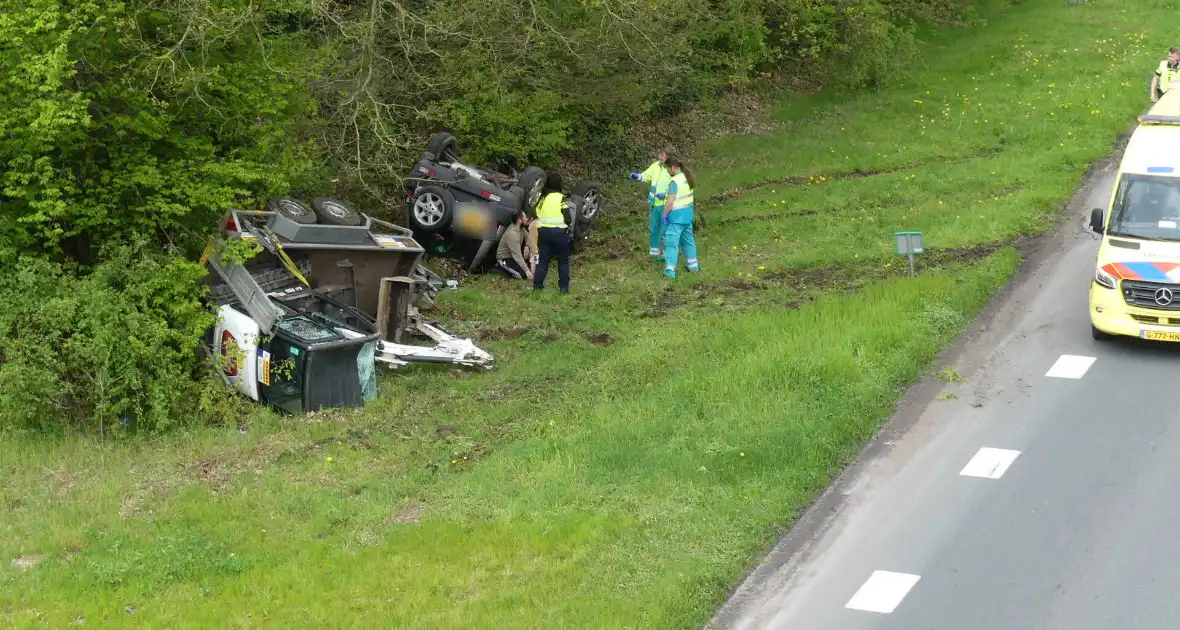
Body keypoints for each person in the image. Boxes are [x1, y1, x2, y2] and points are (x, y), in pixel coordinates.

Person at [629, 149, 673, 259]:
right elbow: (646, 175)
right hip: (655, 204)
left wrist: (666, 195)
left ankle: (666, 254)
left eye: (663, 156)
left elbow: (675, 187)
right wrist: (638, 176)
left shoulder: (671, 169)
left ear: (668, 157)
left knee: (665, 230)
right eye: (660, 155)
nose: (660, 158)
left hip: (666, 204)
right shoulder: (655, 166)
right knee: (654, 228)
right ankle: (654, 253)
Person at [661, 156, 700, 279]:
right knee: (688, 241)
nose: (668, 171)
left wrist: (664, 215)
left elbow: (671, 201)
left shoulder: (674, 181)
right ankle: (693, 266)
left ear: (673, 167)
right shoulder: (686, 178)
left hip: (676, 218)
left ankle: (670, 270)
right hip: (687, 216)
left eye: (668, 168)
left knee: (671, 244)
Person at [533, 172, 572, 293]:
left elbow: (537, 215)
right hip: (559, 233)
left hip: (544, 233)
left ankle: (537, 286)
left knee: (543, 262)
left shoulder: (542, 198)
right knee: (563, 261)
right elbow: (568, 218)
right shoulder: (561, 198)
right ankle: (563, 288)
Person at [494, 210, 533, 280]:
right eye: (525, 217)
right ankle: (499, 267)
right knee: (522, 275)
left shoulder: (521, 228)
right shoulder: (512, 234)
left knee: (531, 263)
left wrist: (527, 247)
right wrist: (527, 272)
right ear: (519, 220)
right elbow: (517, 255)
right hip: (504, 258)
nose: (527, 219)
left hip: (513, 257)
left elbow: (529, 237)